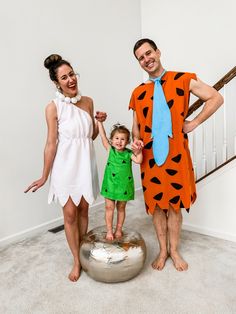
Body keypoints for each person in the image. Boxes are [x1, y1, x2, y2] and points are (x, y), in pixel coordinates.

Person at [129, 38, 223, 271]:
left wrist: (195, 122)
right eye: (141, 57)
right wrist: (136, 142)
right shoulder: (138, 92)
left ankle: (174, 250)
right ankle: (162, 251)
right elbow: (136, 127)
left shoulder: (183, 79)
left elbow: (216, 97)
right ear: (139, 63)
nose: (146, 59)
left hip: (177, 156)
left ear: (158, 52)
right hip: (150, 159)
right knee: (157, 207)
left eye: (149, 53)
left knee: (174, 206)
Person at [24, 54, 106, 281]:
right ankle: (77, 260)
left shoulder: (88, 101)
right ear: (56, 83)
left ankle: (82, 251)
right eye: (64, 77)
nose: (71, 80)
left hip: (85, 163)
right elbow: (51, 144)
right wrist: (44, 176)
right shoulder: (53, 108)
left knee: (84, 211)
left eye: (72, 74)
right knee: (69, 214)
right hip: (65, 166)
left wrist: (100, 122)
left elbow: (90, 136)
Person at [97, 122, 143, 240]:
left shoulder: (128, 154)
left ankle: (118, 229)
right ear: (111, 140)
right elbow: (102, 136)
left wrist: (139, 151)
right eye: (116, 138)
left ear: (127, 142)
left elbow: (138, 160)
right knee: (109, 208)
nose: (119, 141)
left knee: (121, 208)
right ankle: (109, 230)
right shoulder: (110, 150)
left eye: (123, 139)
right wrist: (100, 123)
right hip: (110, 184)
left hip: (124, 186)